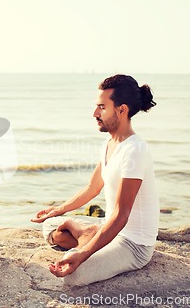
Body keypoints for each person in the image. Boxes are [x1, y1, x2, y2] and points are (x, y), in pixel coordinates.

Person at [31, 74, 158, 286]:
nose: (95, 113)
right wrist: (58, 210)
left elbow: (121, 215)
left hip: (133, 244)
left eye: (102, 107)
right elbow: (93, 188)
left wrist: (82, 254)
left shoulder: (135, 150)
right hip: (110, 226)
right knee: (50, 226)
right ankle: (87, 233)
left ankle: (86, 236)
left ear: (121, 110)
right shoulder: (109, 144)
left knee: (73, 275)